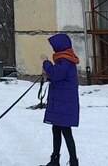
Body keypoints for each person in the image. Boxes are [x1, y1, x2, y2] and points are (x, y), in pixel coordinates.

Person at [40, 33, 80, 166]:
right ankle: (55, 159)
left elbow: (56, 73)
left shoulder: (66, 61)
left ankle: (73, 161)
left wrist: (46, 62)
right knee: (56, 130)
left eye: (54, 46)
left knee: (66, 132)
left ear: (59, 46)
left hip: (64, 105)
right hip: (61, 103)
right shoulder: (64, 60)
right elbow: (58, 77)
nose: (53, 49)